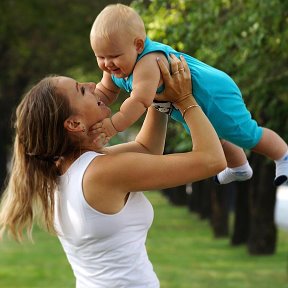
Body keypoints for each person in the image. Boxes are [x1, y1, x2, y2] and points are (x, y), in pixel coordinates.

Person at [0, 55, 226, 287]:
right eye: (80, 90)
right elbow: (212, 160)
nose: (91, 84)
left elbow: (146, 150)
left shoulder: (67, 168)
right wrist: (184, 99)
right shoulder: (100, 172)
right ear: (75, 124)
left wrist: (155, 94)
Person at [90, 3, 288, 186]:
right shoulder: (114, 68)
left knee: (244, 132)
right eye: (100, 57)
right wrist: (89, 103)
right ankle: (239, 167)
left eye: (114, 56)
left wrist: (113, 125)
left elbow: (140, 101)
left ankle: (282, 155)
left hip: (214, 93)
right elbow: (105, 92)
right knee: (212, 135)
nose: (107, 63)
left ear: (138, 46)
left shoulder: (148, 62)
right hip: (187, 101)